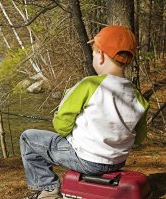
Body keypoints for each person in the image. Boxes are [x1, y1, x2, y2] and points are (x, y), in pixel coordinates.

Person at [20, 25, 149, 199]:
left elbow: (61, 124)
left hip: (86, 160)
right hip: (117, 162)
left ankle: (48, 189)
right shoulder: (138, 96)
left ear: (101, 56)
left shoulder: (89, 85)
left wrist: (69, 136)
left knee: (28, 138)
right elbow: (139, 137)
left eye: (94, 53)